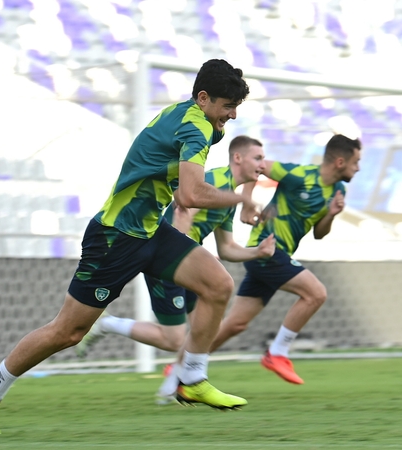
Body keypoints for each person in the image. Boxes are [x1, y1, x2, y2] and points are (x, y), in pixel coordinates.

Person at [0, 59, 252, 436]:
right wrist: (241, 199)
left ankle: (192, 378)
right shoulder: (196, 125)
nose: (232, 116)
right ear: (203, 98)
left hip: (151, 231)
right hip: (115, 237)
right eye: (227, 106)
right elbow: (190, 194)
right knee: (67, 332)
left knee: (218, 284)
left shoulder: (195, 119)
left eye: (235, 108)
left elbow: (181, 191)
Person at [73, 136, 276, 404]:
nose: (263, 164)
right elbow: (181, 217)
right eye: (258, 158)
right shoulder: (212, 183)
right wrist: (190, 251)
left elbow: (226, 248)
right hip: (168, 263)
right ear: (238, 158)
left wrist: (257, 252)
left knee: (203, 330)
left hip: (190, 267)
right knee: (173, 338)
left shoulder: (226, 197)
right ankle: (107, 324)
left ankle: (173, 389)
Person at [209, 134, 361, 385]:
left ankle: (184, 364)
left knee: (235, 324)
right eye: (356, 162)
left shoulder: (337, 190)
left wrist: (332, 215)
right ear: (340, 162)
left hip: (277, 256)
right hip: (265, 249)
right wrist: (247, 204)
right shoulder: (298, 175)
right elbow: (257, 167)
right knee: (316, 293)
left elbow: (320, 234)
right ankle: (277, 353)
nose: (358, 168)